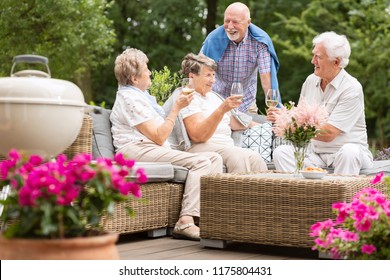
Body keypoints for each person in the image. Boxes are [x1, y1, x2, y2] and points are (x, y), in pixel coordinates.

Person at [110, 48, 224, 241]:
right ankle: (185, 221)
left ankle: (209, 218)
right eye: (146, 69)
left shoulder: (140, 97)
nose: (150, 73)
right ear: (134, 78)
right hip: (135, 150)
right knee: (202, 162)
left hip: (148, 148)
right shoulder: (129, 99)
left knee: (214, 157)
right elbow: (159, 136)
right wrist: (177, 107)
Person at [267, 31, 373, 175]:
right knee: (282, 152)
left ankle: (341, 197)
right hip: (316, 155)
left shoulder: (351, 88)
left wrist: (288, 124)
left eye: (318, 57)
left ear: (336, 61)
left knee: (349, 152)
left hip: (348, 154)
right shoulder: (310, 81)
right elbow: (299, 118)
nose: (312, 61)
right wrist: (284, 117)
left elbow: (329, 133)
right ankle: (299, 196)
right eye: (314, 55)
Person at [178, 53, 268, 173]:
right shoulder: (187, 97)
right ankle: (234, 192)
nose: (213, 80)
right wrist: (221, 110)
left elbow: (234, 123)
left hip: (225, 146)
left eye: (214, 75)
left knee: (256, 158)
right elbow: (198, 135)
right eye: (208, 75)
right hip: (201, 146)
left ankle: (262, 192)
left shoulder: (214, 97)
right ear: (192, 76)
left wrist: (266, 127)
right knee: (239, 157)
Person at [200, 2, 280, 114]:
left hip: (246, 103)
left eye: (235, 22)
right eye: (227, 21)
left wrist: (274, 109)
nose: (230, 26)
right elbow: (199, 73)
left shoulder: (261, 42)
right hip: (216, 101)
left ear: (248, 22)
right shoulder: (212, 40)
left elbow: (266, 78)